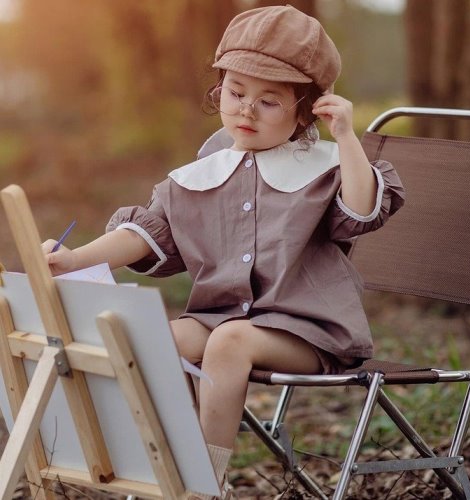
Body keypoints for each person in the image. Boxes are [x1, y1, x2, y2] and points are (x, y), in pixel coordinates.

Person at [43, 5, 405, 499]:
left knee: (231, 341)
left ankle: (205, 484)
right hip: (221, 320)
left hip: (308, 329)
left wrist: (346, 137)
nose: (246, 111)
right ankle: (163, 463)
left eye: (269, 101)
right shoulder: (204, 172)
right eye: (235, 93)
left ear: (307, 110)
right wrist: (72, 259)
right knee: (154, 338)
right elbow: (148, 234)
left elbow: (363, 211)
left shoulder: (323, 168)